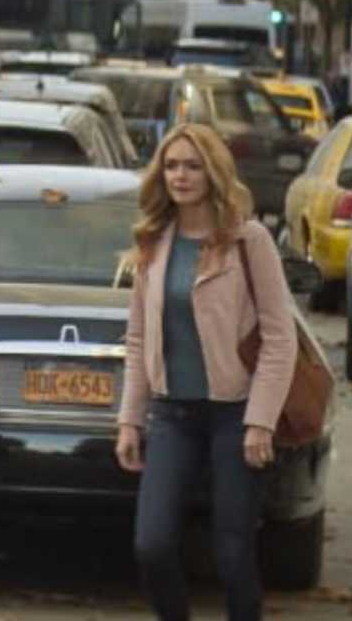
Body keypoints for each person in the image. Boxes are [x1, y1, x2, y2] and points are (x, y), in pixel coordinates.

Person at [114, 123, 298, 621]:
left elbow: (281, 337)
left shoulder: (248, 239)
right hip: (172, 414)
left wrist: (260, 419)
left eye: (192, 166)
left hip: (234, 415)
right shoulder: (155, 240)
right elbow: (137, 339)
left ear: (213, 172)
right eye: (172, 165)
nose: (180, 175)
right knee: (151, 544)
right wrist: (130, 419)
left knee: (233, 551)